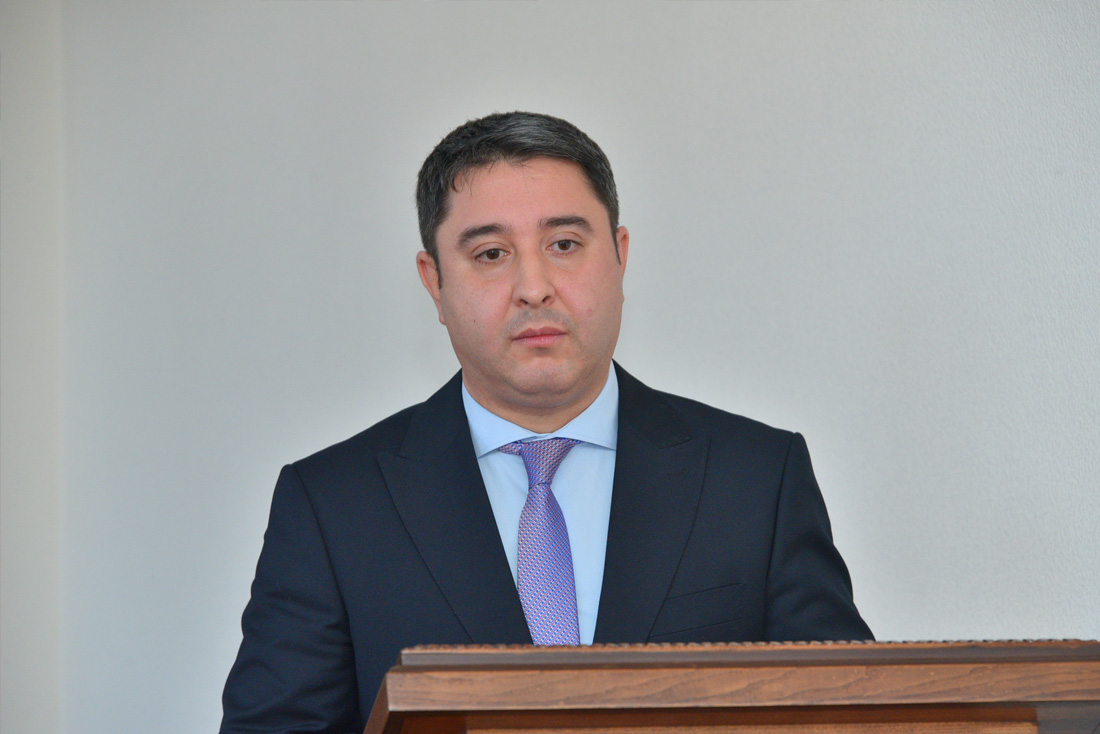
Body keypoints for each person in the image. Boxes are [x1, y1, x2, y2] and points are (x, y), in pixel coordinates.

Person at [220, 111, 872, 734]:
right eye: (491, 254)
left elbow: (852, 716)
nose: (533, 286)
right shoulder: (334, 506)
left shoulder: (756, 479)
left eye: (564, 244)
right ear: (434, 282)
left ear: (619, 256)